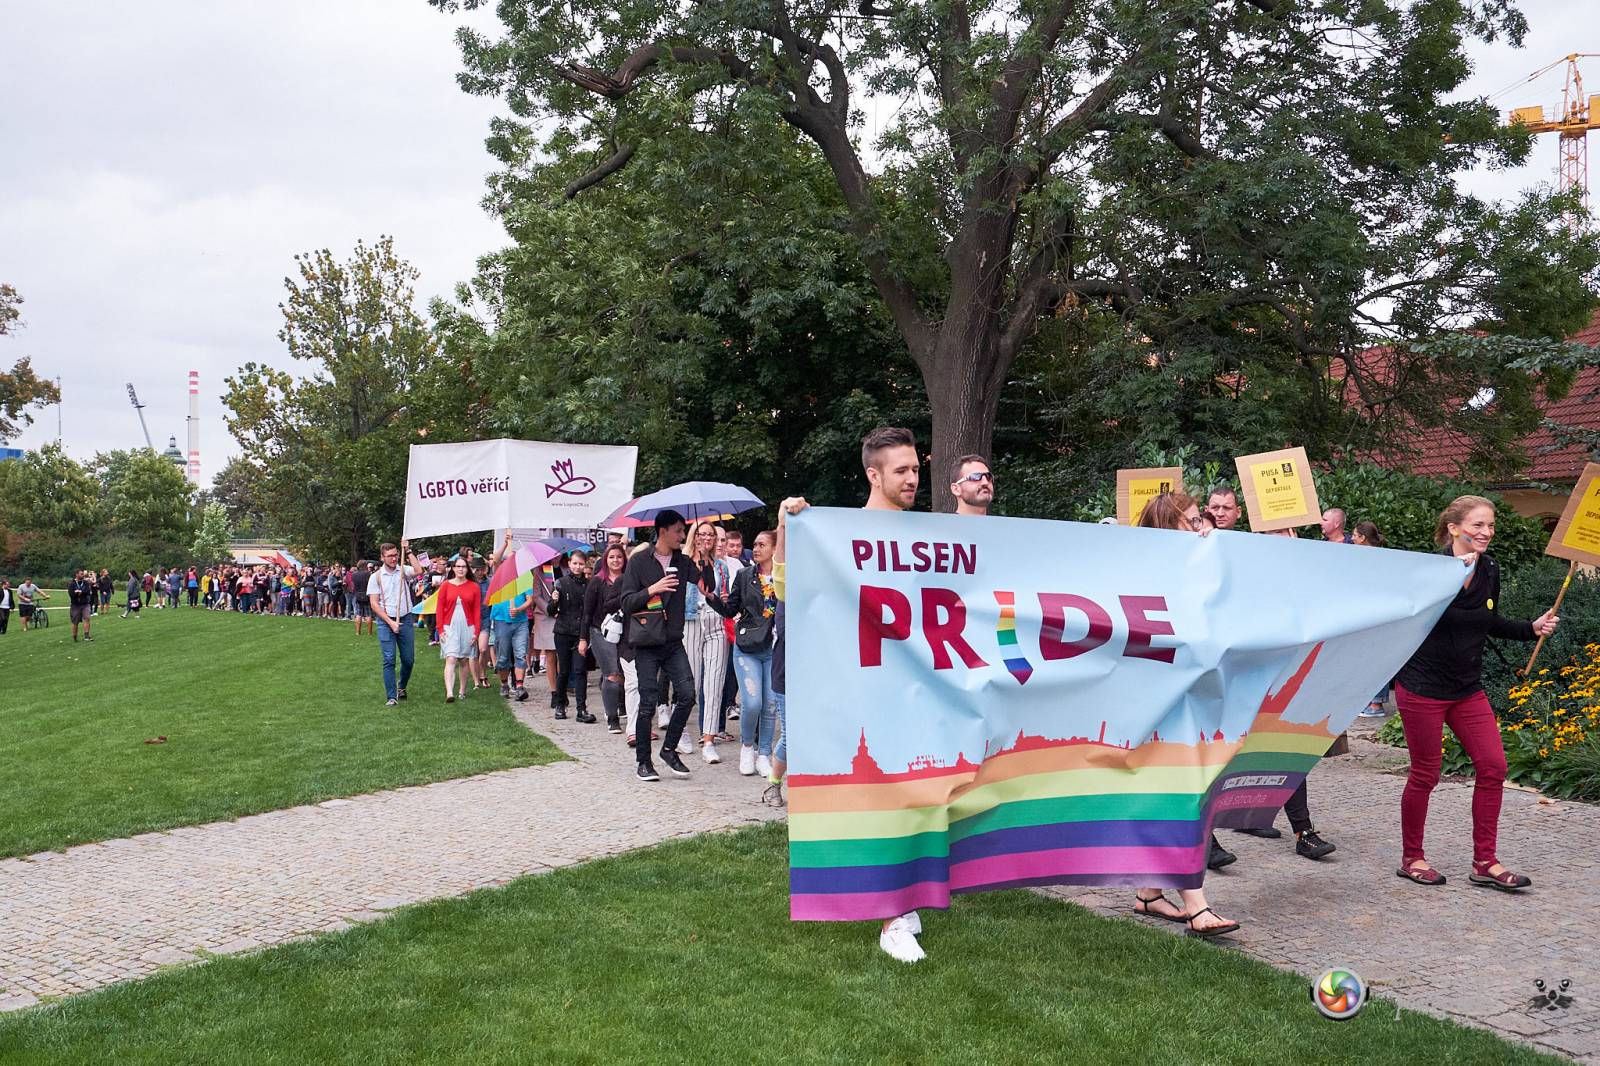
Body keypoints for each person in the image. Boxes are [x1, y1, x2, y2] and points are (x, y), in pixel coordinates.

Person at [1393, 495, 1558, 890]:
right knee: (1425, 774)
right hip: (1422, 689)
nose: (1486, 533)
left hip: (1466, 689)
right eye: (1478, 525)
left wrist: (1529, 629)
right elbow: (1404, 619)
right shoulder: (1431, 570)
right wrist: (1449, 577)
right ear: (1454, 528)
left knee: (1494, 767)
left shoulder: (1490, 569)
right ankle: (1412, 857)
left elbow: (1487, 621)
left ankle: (1485, 862)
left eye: (1491, 526)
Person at [1129, 491, 1242, 937]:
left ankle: (1149, 893)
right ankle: (1196, 905)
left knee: (1173, 793)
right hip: (1161, 701)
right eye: (1194, 521)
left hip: (1186, 698)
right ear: (1168, 528)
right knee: (1181, 795)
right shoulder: (1149, 576)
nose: (1203, 526)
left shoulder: (1196, 570)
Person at [616, 509, 706, 783]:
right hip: (645, 642)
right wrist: (653, 589)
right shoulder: (639, 561)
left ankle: (668, 750)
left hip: (672, 641)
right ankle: (643, 761)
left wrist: (704, 557)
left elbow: (707, 585)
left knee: (688, 694)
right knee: (648, 703)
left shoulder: (683, 560)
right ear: (663, 531)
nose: (681, 535)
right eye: (678, 530)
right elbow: (626, 602)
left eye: (683, 531)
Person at [704, 530, 780, 777]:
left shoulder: (784, 577)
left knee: (769, 705)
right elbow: (730, 609)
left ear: (775, 549)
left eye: (762, 545)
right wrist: (711, 597)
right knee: (752, 702)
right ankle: (747, 747)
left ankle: (764, 753)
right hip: (747, 647)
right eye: (754, 544)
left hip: (774, 648)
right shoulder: (745, 575)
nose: (755, 549)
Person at [683, 520, 733, 762]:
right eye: (702, 534)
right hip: (691, 620)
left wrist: (723, 598)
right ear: (694, 537)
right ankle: (680, 729)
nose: (706, 539)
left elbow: (725, 596)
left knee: (714, 683)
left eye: (711, 535)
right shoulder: (682, 563)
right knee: (689, 682)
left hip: (716, 622)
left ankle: (709, 738)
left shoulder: (721, 566)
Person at [581, 542, 629, 733]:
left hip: (625, 632)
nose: (615, 560)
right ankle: (612, 718)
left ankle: (619, 702)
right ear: (605, 560)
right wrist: (583, 639)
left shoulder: (630, 579)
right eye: (611, 557)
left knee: (623, 675)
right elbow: (587, 612)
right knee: (611, 674)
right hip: (601, 632)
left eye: (619, 556)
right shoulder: (597, 582)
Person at [368, 540, 419, 707]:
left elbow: (419, 571)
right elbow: (374, 604)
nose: (394, 558)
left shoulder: (403, 570)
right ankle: (391, 696)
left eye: (396, 555)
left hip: (404, 618)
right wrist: (390, 622)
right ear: (382, 557)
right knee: (389, 659)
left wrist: (408, 551)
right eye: (390, 556)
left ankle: (401, 686)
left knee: (408, 659)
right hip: (385, 621)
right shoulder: (375, 577)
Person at [1352, 521, 1393, 716]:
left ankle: (1376, 704)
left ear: (1362, 538)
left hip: (1376, 615)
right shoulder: (1368, 556)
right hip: (1368, 613)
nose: (1351, 539)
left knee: (1377, 660)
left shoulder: (1374, 558)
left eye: (1354, 535)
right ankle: (1371, 701)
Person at [551, 548, 595, 723]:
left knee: (580, 670)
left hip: (581, 633)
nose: (577, 567)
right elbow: (550, 610)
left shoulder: (589, 585)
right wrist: (554, 600)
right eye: (574, 563)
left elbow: (590, 610)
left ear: (585, 566)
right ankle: (560, 704)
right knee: (564, 670)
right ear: (569, 564)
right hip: (562, 631)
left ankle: (581, 709)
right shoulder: (561, 583)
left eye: (581, 564)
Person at [435, 554, 482, 703]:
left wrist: (476, 631)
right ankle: (449, 692)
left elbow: (476, 611)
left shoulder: (474, 587)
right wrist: (440, 629)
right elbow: (439, 609)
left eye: (463, 566)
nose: (461, 569)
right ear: (453, 568)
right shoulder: (446, 585)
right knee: (451, 657)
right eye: (458, 566)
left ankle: (462, 690)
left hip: (468, 626)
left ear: (467, 569)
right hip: (450, 626)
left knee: (463, 660)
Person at [68, 569, 96, 642]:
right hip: (75, 605)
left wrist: (81, 592)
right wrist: (76, 593)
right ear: (76, 574)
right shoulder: (72, 583)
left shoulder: (85, 583)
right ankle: (75, 637)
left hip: (85, 604)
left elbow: (87, 591)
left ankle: (87, 636)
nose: (83, 575)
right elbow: (71, 593)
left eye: (83, 574)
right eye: (81, 574)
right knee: (75, 622)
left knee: (87, 618)